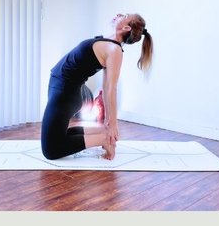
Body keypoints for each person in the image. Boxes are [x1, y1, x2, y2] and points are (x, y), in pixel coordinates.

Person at [41, 14, 152, 161]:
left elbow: (110, 88)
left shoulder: (114, 50)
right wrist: (107, 123)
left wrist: (113, 123)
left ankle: (104, 139)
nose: (119, 15)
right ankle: (102, 133)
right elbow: (106, 88)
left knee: (51, 150)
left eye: (125, 16)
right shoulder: (107, 43)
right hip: (60, 89)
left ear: (126, 28)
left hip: (64, 94)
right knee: (60, 136)